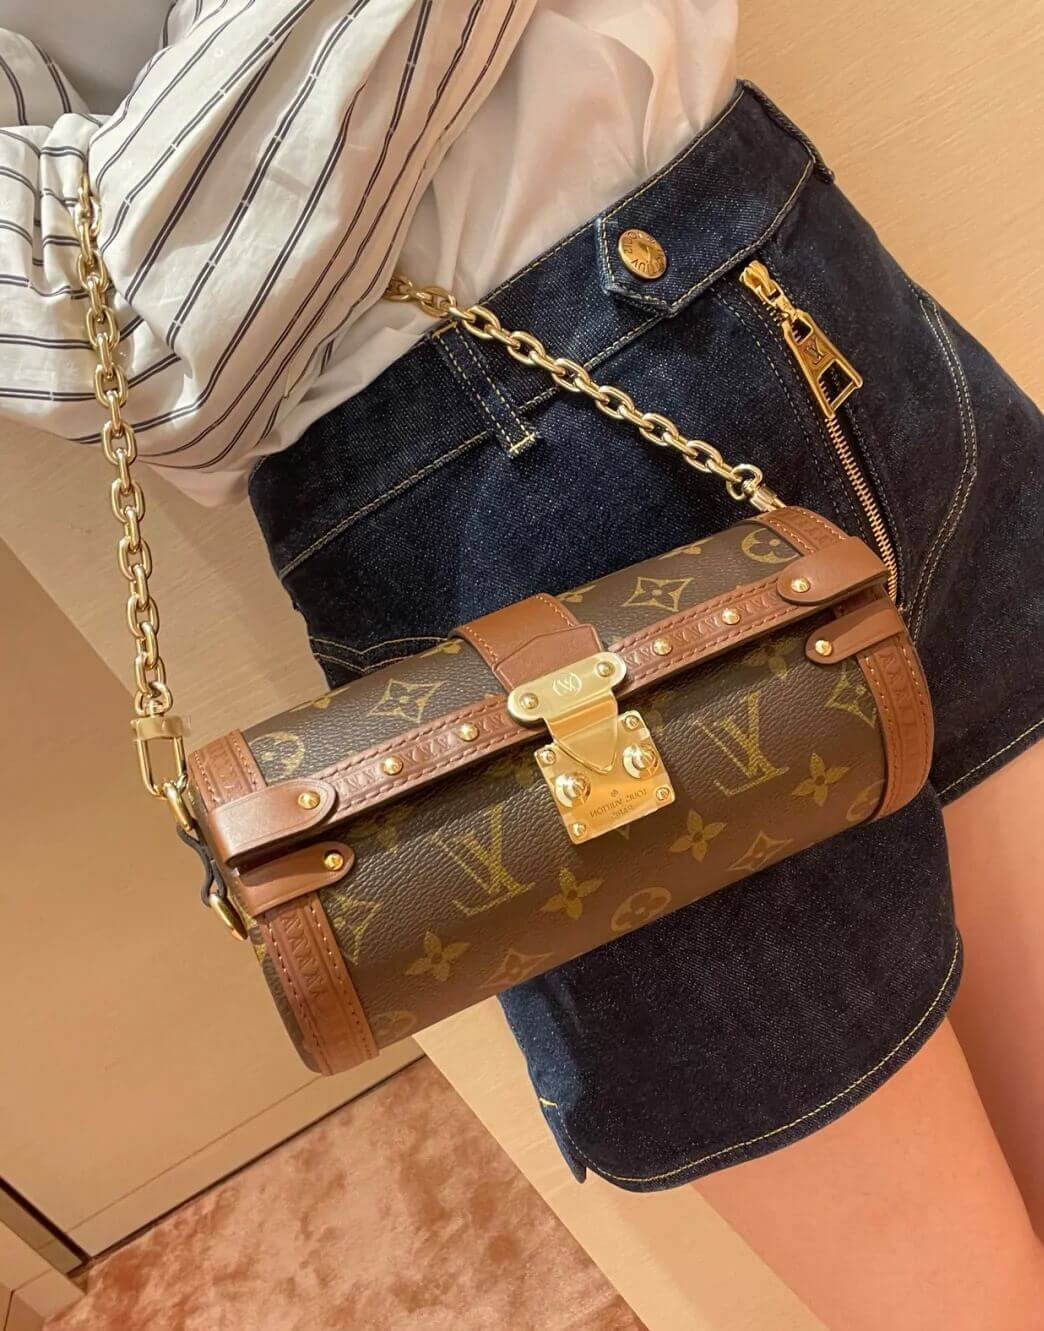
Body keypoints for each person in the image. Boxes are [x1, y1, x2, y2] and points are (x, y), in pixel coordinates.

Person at [2, 4, 1041, 1326]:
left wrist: (156, 191)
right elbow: (112, 341)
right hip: (495, 519)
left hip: (800, 284)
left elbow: (124, 281)